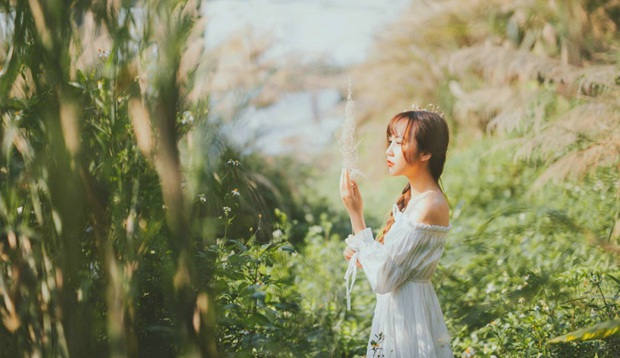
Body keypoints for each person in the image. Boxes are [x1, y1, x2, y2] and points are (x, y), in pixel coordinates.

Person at [340, 110, 452, 357]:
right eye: (390, 141)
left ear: (425, 153)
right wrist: (364, 252)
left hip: (410, 319)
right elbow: (397, 264)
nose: (389, 150)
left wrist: (356, 213)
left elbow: (384, 279)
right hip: (402, 312)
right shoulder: (415, 200)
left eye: (399, 143)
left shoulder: (428, 205)